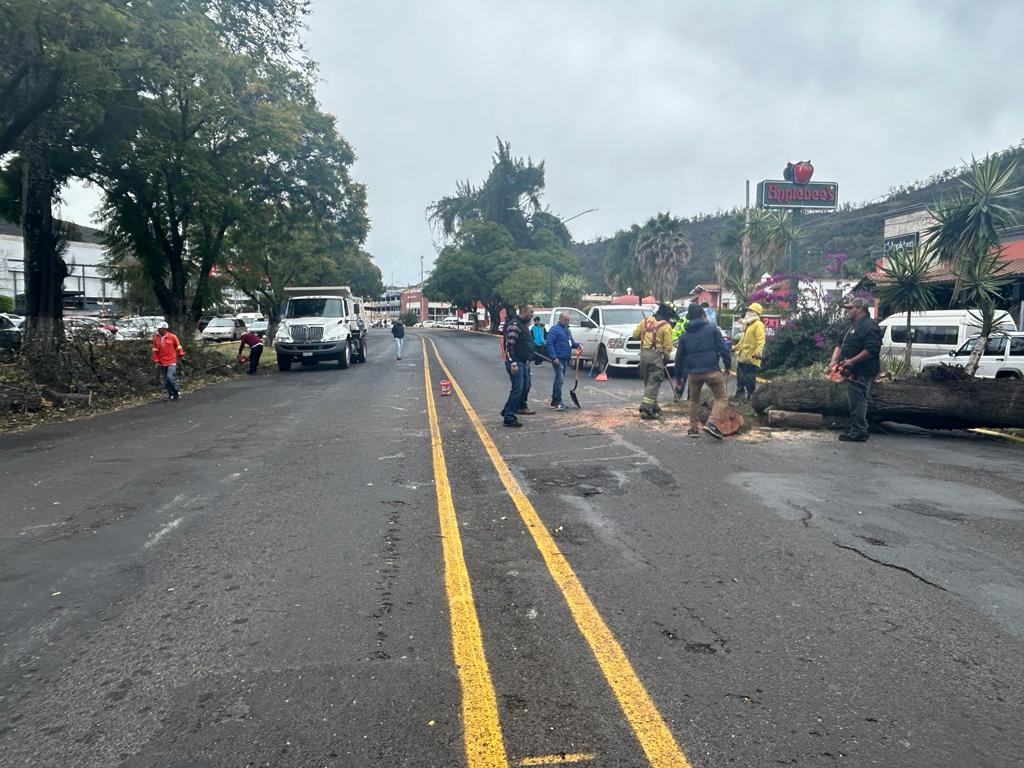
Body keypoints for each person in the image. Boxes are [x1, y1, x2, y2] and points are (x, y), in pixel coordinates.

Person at [675, 303, 732, 438]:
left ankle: (694, 429)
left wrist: (678, 378)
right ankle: (712, 423)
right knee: (721, 398)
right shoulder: (712, 330)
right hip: (711, 370)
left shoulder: (684, 335)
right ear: (702, 315)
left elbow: (679, 358)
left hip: (693, 373)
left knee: (693, 400)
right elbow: (723, 349)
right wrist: (728, 366)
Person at [829, 297, 881, 442]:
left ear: (859, 309)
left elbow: (872, 349)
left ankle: (859, 430)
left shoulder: (869, 326)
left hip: (863, 370)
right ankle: (855, 427)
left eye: (850, 308)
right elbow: (840, 343)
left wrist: (852, 361)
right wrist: (834, 361)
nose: (847, 310)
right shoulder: (853, 325)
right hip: (851, 370)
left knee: (858, 400)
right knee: (853, 399)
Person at [630, 303, 675, 420]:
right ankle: (646, 409)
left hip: (643, 356)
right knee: (654, 382)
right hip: (655, 357)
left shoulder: (646, 321)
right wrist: (665, 359)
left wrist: (645, 335)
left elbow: (635, 335)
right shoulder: (666, 326)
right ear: (668, 315)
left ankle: (654, 407)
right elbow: (668, 347)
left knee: (649, 383)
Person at [500, 304, 535, 427]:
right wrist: (513, 362)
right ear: (524, 312)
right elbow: (510, 346)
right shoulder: (515, 325)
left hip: (523, 362)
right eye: (531, 312)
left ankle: (506, 410)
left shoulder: (523, 325)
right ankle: (509, 417)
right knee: (517, 389)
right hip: (516, 362)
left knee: (525, 386)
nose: (532, 315)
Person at [545, 311, 582, 410]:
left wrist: (578, 345)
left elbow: (571, 343)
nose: (567, 322)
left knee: (559, 379)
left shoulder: (567, 331)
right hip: (558, 359)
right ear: (560, 319)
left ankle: (554, 401)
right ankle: (557, 401)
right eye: (565, 320)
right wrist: (553, 357)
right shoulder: (554, 330)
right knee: (559, 380)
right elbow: (549, 343)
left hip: (565, 359)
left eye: (568, 320)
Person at [734, 302, 765, 399]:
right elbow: (742, 341)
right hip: (742, 356)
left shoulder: (758, 325)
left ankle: (750, 396)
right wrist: (735, 348)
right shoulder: (747, 324)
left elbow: (761, 340)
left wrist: (758, 351)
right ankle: (739, 394)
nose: (748, 312)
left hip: (751, 357)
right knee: (740, 377)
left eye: (750, 310)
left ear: (755, 313)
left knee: (749, 378)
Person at [151, 321, 185, 401]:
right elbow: (155, 350)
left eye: (160, 328)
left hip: (171, 360)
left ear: (164, 329)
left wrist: (181, 354)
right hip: (162, 361)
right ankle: (171, 395)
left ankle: (176, 391)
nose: (158, 330)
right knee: (165, 380)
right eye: (158, 328)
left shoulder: (172, 337)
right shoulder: (156, 338)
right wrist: (156, 360)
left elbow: (178, 346)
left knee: (170, 377)